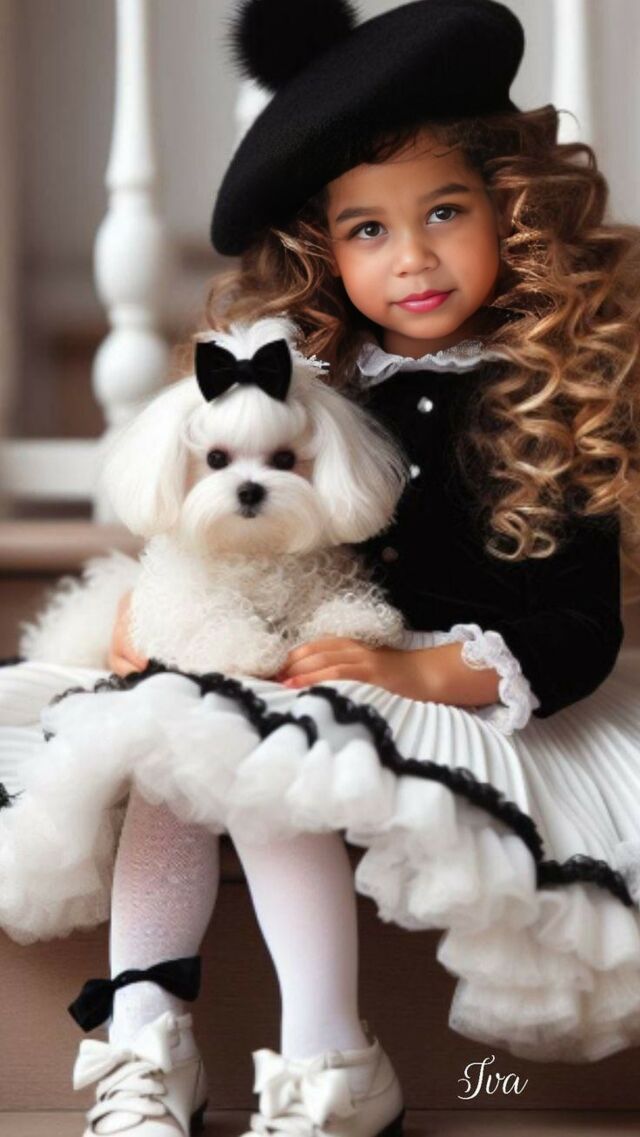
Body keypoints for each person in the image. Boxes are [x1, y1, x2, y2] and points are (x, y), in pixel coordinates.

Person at [2, 0, 640, 1134]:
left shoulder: (551, 394)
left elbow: (582, 626)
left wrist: (424, 671)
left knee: (261, 744)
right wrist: (153, 613)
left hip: (459, 691)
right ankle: (147, 1034)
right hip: (305, 661)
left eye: (443, 211)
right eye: (367, 230)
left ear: (511, 209)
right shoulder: (315, 391)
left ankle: (330, 1058)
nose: (412, 257)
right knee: (181, 728)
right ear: (325, 249)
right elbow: (223, 530)